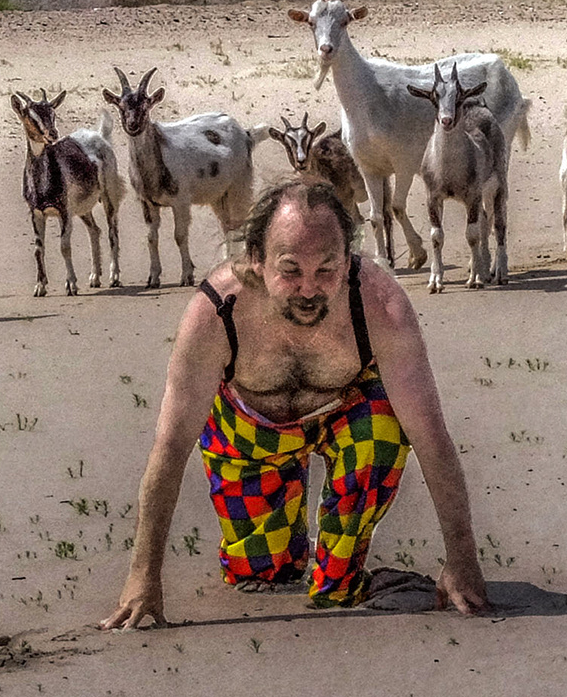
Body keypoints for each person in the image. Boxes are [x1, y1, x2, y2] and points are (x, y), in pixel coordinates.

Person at [100, 178, 491, 628]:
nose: (309, 289)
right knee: (260, 575)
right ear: (256, 260)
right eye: (290, 270)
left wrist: (463, 560)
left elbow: (431, 437)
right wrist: (143, 576)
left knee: (381, 434)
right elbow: (170, 447)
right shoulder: (216, 313)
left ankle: (342, 570)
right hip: (250, 429)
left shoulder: (380, 305)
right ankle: (278, 548)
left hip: (346, 414)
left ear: (348, 259)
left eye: (326, 269)